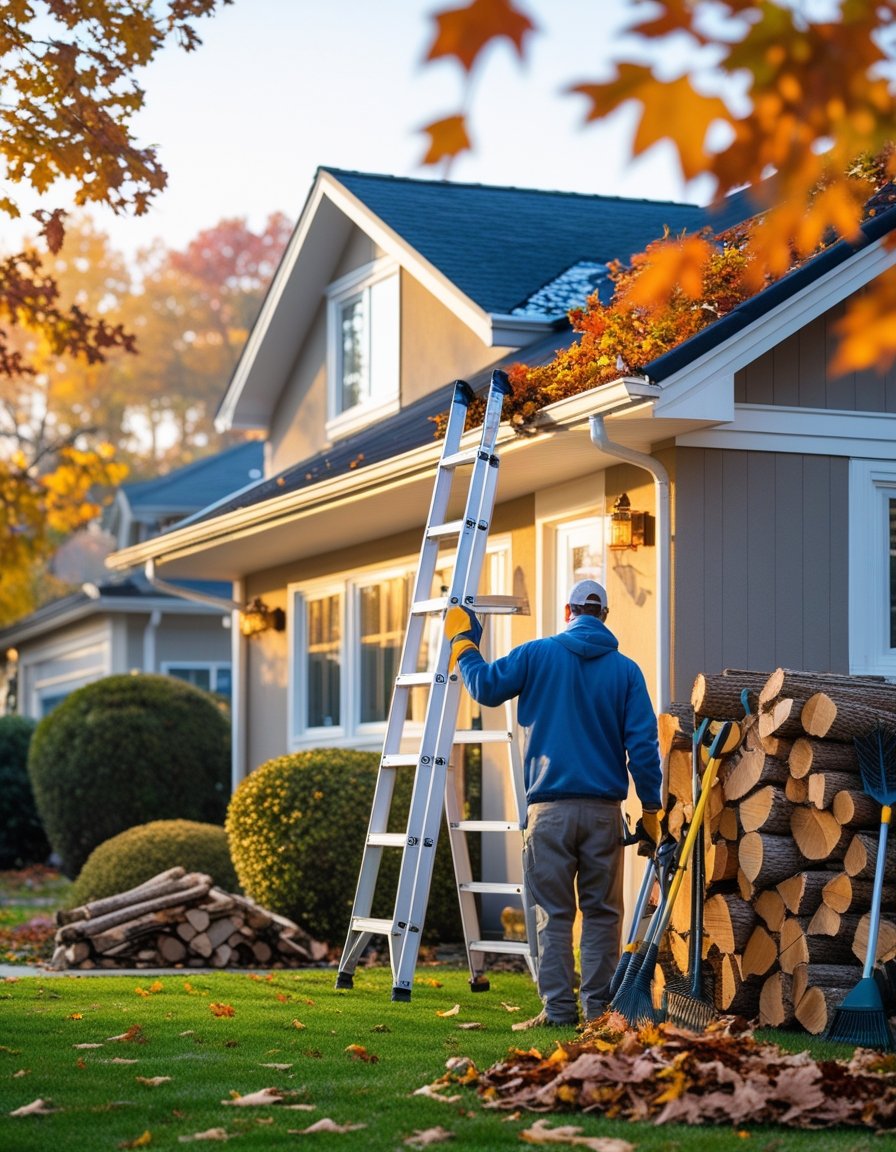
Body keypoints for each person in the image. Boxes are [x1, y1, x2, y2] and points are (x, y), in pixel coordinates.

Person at [445, 578, 663, 1028]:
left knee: (553, 912)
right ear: (604, 616)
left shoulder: (536, 654)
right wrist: (652, 809)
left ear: (568, 612)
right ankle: (599, 1013)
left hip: (549, 813)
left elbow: (484, 687)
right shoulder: (626, 671)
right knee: (602, 914)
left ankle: (559, 1011)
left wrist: (463, 643)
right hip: (604, 813)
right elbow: (643, 746)